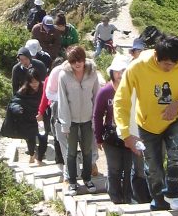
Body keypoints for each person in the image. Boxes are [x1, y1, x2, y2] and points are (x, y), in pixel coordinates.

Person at [113, 32, 178, 212]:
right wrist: (125, 133)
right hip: (146, 124)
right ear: (156, 56)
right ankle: (159, 202)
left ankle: (173, 192)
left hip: (173, 120)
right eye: (167, 64)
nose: (170, 67)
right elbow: (121, 100)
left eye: (174, 64)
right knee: (153, 168)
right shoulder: (137, 67)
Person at [93, 55, 149, 205]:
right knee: (114, 168)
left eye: (124, 70)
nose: (120, 74)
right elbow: (97, 115)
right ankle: (115, 198)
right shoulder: (105, 92)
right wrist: (98, 138)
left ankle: (128, 197)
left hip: (130, 135)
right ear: (112, 72)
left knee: (129, 167)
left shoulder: (135, 90)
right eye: (117, 71)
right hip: (111, 136)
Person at [57, 45, 101, 195]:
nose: (77, 63)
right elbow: (62, 101)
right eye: (73, 61)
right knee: (71, 152)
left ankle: (87, 178)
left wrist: (96, 120)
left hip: (88, 119)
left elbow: (97, 97)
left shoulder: (93, 73)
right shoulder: (63, 76)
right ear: (69, 61)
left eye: (80, 60)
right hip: (72, 121)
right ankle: (72, 181)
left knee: (88, 151)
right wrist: (65, 124)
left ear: (84, 59)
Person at [1, 73, 45, 165]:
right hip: (28, 118)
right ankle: (32, 154)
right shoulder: (23, 91)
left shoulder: (44, 88)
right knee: (30, 138)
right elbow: (15, 101)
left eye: (36, 82)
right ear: (28, 82)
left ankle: (40, 158)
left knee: (43, 138)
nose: (34, 84)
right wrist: (17, 109)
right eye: (31, 82)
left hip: (41, 117)